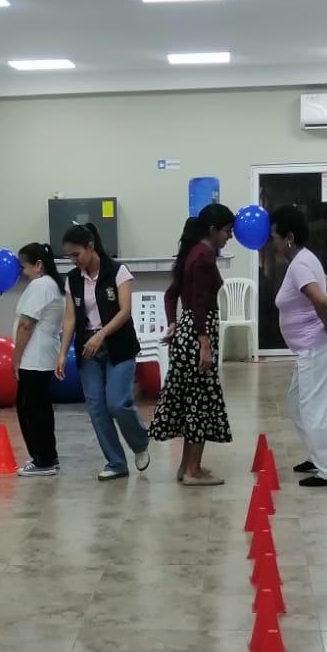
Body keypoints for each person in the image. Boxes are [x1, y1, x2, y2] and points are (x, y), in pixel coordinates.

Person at [147, 206, 234, 486]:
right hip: (198, 335)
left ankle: (187, 466)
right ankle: (193, 471)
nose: (229, 237)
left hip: (188, 332)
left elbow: (172, 294)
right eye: (227, 231)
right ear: (213, 230)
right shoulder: (203, 256)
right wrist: (204, 343)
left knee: (193, 402)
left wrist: (174, 323)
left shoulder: (192, 253)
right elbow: (197, 302)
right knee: (199, 403)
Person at [268, 204, 327, 488]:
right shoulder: (305, 259)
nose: (273, 243)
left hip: (314, 348)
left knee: (312, 408)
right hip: (311, 347)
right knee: (297, 402)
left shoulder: (300, 265)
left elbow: (321, 300)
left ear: (289, 237)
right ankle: (317, 458)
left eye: (275, 237)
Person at [58, 222, 150, 481]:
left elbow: (125, 311)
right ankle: (116, 462)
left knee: (117, 403)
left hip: (119, 345)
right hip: (88, 349)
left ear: (90, 247)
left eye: (76, 254)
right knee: (97, 408)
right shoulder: (73, 279)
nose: (73, 260)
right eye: (69, 256)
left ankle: (140, 442)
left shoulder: (118, 271)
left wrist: (101, 335)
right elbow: (69, 319)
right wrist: (62, 353)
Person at [12, 241, 64, 475]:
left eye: (24, 267)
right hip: (42, 356)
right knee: (39, 407)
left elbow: (26, 324)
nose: (22, 273)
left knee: (30, 409)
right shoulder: (52, 284)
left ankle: (43, 460)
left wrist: (15, 358)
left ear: (38, 265)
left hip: (33, 358)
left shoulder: (41, 285)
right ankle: (47, 456)